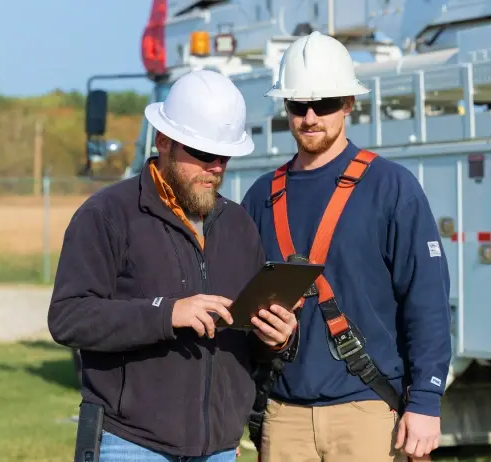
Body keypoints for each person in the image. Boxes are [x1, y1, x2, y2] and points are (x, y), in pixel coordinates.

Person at [48, 69, 298, 462]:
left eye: (225, 155)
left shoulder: (239, 225)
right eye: (202, 153)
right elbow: (68, 316)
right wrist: (168, 313)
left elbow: (245, 344)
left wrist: (275, 338)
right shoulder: (107, 214)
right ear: (164, 141)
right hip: (129, 443)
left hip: (218, 449)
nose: (216, 167)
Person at [241, 31, 452, 461]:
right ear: (286, 107)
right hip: (284, 414)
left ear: (350, 104)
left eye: (327, 103)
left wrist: (426, 403)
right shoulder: (260, 197)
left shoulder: (392, 188)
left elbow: (426, 302)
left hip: (367, 411)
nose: (311, 116)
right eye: (299, 105)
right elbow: (242, 312)